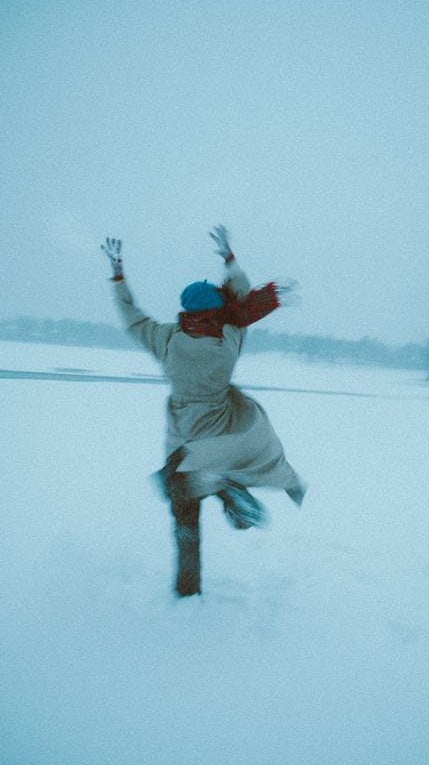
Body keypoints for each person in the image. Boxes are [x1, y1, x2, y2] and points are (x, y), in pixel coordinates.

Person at [101, 226, 306, 597]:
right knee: (209, 469)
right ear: (217, 309)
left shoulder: (165, 339)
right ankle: (225, 488)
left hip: (183, 434)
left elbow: (131, 316)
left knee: (182, 508)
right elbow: (242, 299)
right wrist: (230, 258)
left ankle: (188, 588)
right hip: (224, 427)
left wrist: (118, 276)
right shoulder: (229, 338)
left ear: (184, 310)